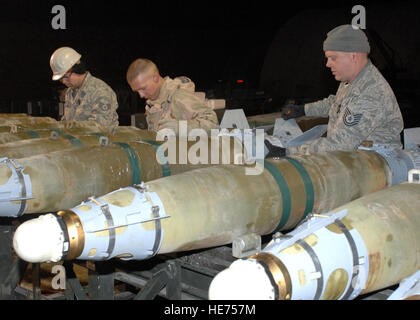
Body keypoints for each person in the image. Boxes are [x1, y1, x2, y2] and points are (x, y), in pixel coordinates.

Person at [281, 24, 404, 153]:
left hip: (376, 164)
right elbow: (336, 104)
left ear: (353, 56)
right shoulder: (354, 80)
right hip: (357, 158)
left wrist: (288, 152)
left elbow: (339, 145)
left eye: (333, 58)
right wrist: (303, 110)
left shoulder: (371, 93)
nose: (328, 64)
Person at [126, 58, 219, 135]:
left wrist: (180, 128)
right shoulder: (154, 104)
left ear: (155, 78)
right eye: (137, 91)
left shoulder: (178, 95)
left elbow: (213, 124)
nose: (141, 95)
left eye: (143, 88)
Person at [50, 47, 119, 134]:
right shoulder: (70, 92)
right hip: (78, 143)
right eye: (61, 79)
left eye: (66, 76)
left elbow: (100, 129)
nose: (64, 82)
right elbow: (67, 121)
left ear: (78, 69)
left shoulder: (100, 91)